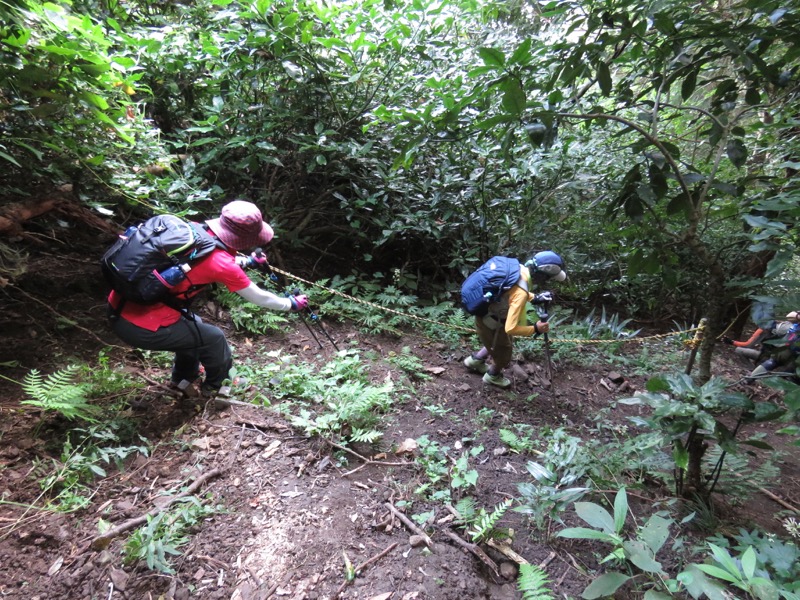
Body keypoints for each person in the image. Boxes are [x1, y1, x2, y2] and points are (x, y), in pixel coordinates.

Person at [107, 200, 308, 398]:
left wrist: (246, 262)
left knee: (195, 326)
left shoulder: (192, 230)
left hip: (120, 306)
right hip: (142, 326)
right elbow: (259, 297)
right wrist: (290, 304)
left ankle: (183, 377)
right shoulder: (221, 263)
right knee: (214, 339)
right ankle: (217, 385)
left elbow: (204, 259)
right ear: (243, 239)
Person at [463, 250, 567, 388]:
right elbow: (511, 328)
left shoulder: (518, 269)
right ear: (542, 276)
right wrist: (536, 328)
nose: (548, 281)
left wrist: (535, 298)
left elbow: (512, 291)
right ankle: (492, 376)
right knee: (504, 353)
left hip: (485, 315)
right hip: (493, 322)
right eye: (548, 278)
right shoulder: (521, 292)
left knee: (498, 343)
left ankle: (475, 361)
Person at [746, 311, 800, 381]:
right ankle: (750, 379)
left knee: (781, 366)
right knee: (774, 361)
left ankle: (751, 379)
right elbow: (790, 316)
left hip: (792, 349)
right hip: (790, 346)